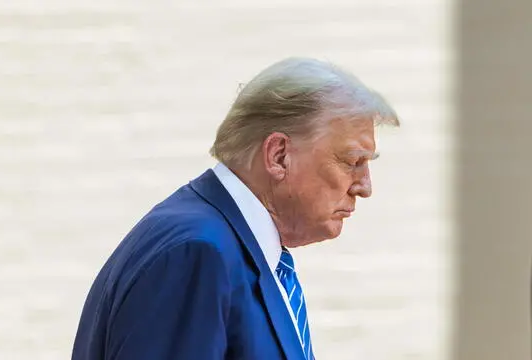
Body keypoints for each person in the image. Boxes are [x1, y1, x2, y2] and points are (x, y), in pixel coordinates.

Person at [71, 57, 400, 360]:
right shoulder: (198, 253)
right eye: (353, 162)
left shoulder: (228, 246)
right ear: (278, 156)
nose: (364, 187)